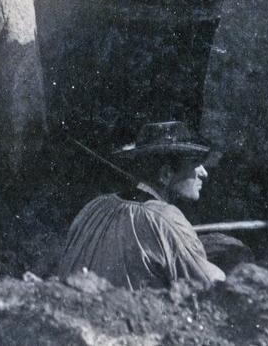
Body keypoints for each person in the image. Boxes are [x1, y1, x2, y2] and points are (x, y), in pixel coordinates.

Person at [56, 121, 226, 290]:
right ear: (166, 174)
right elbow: (209, 282)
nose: (204, 172)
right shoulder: (164, 219)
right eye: (195, 163)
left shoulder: (94, 206)